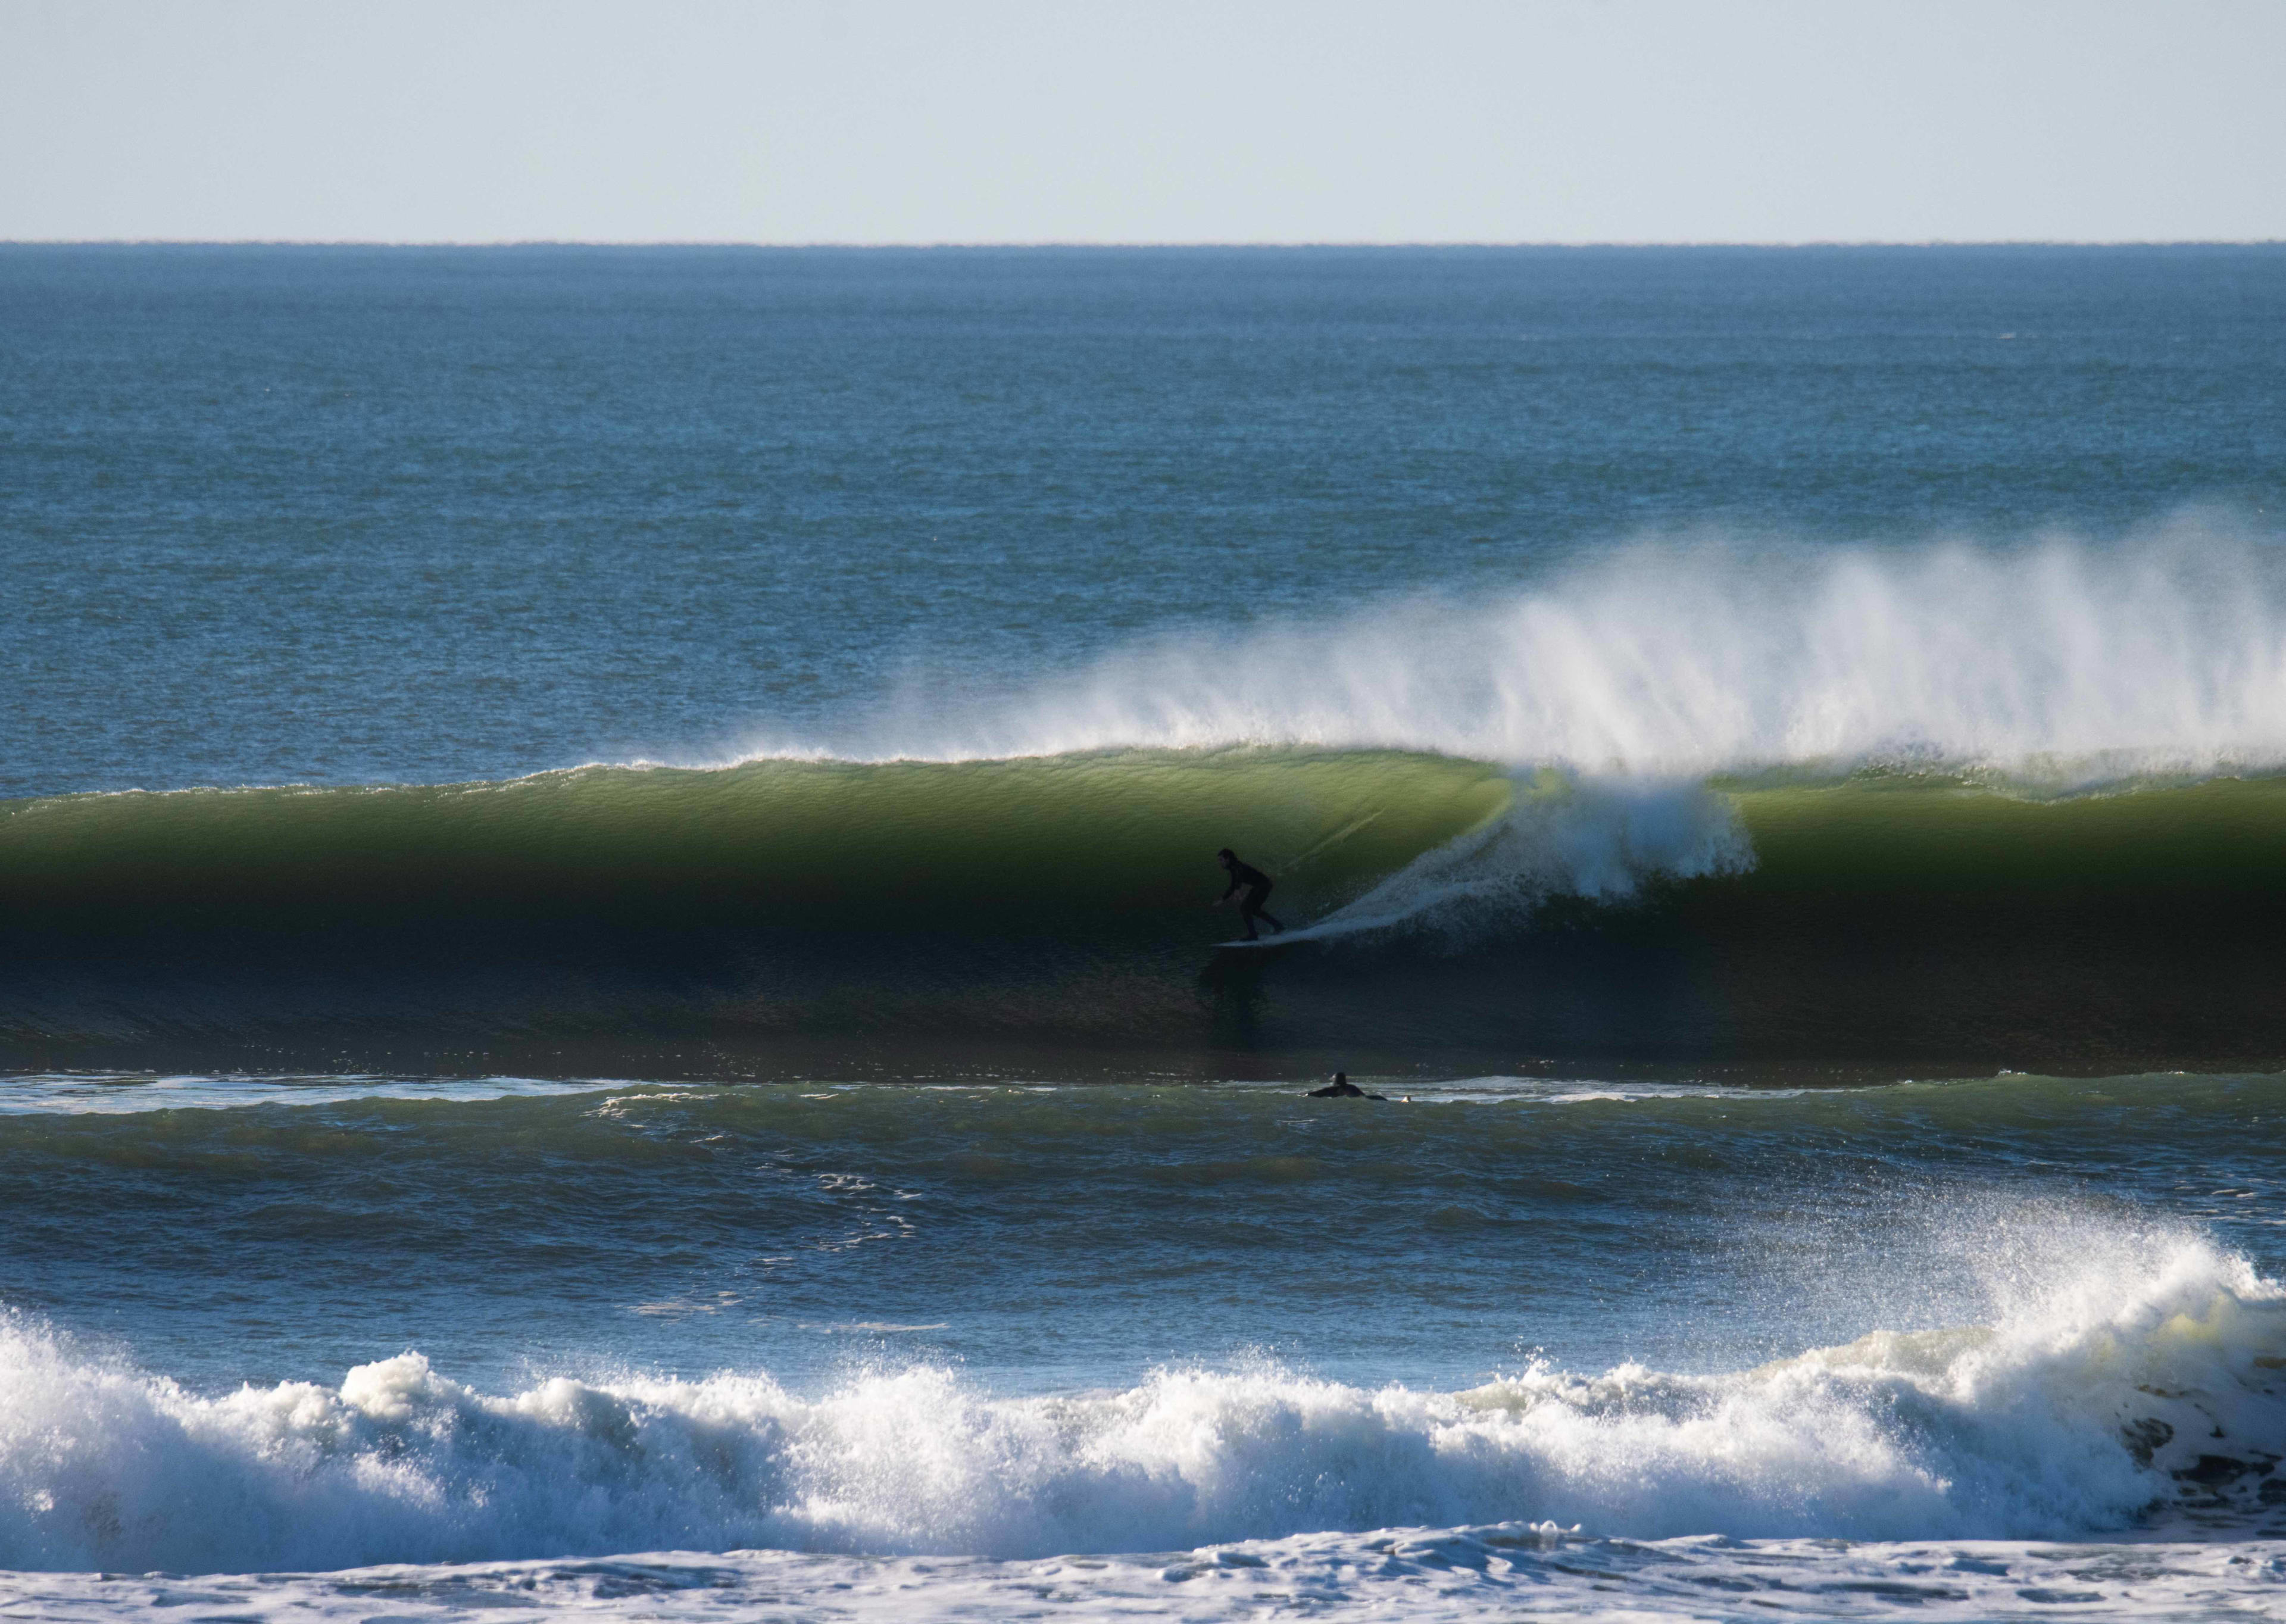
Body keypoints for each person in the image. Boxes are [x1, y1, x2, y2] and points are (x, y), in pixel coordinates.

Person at [1213, 848, 1285, 941]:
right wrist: (1222, 899)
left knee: (1245, 908)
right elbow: (1233, 885)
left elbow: (1239, 875)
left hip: (1263, 886)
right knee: (1254, 910)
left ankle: (1253, 935)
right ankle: (1278, 926)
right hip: (1263, 885)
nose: (1220, 863)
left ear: (1228, 859)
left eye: (1221, 860)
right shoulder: (1233, 867)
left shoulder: (1236, 866)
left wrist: (1238, 889)